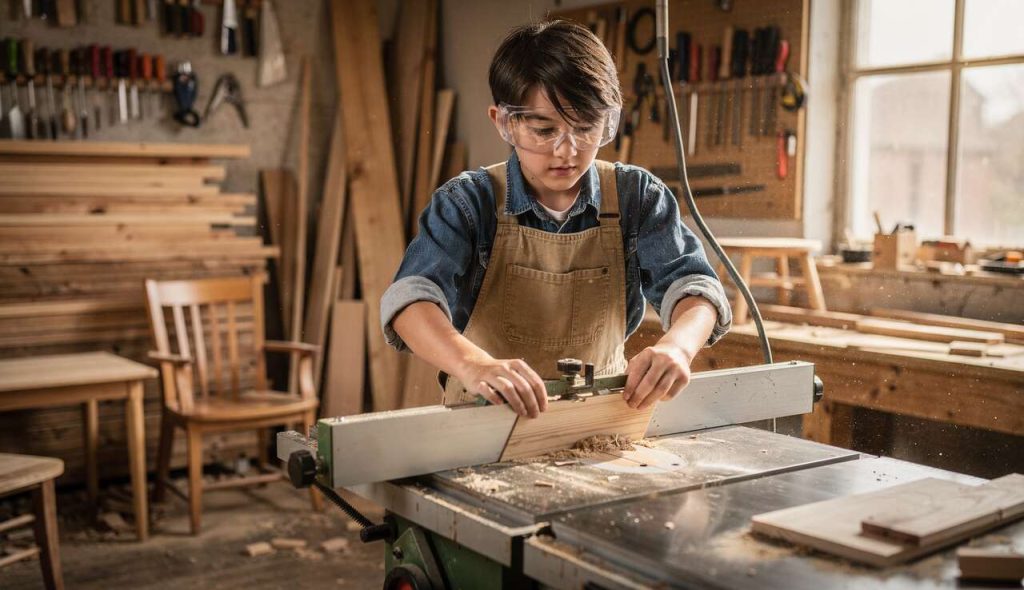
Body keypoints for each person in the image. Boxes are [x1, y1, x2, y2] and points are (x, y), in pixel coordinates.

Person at [380, 20, 731, 418]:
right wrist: (472, 364)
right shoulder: (468, 203)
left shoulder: (637, 198)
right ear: (504, 122)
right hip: (484, 418)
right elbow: (410, 299)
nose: (567, 151)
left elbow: (695, 286)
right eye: (544, 130)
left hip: (599, 418)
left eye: (585, 129)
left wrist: (678, 347)